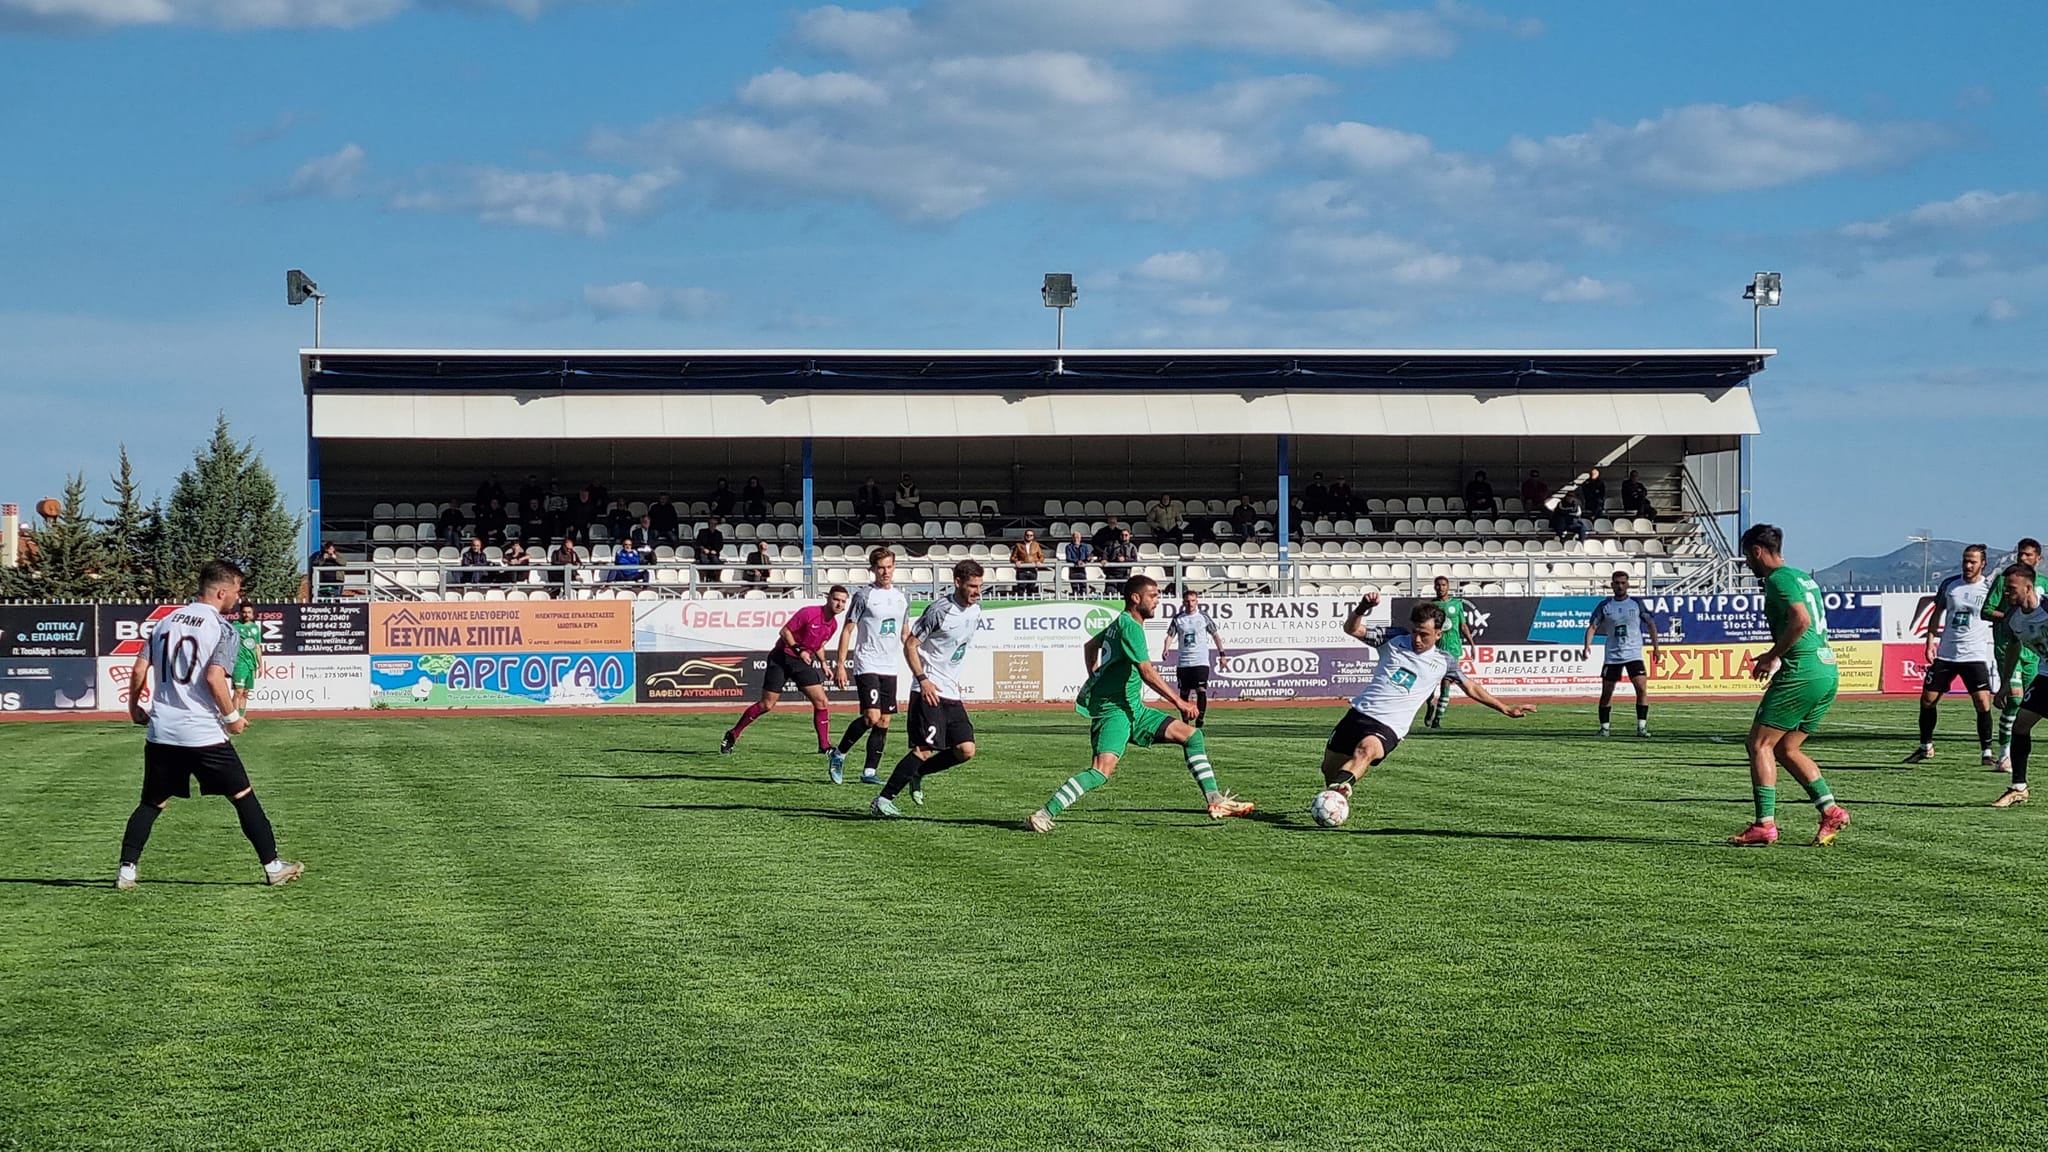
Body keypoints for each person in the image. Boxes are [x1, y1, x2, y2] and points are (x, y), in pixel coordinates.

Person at [116, 560, 302, 890]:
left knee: (152, 803)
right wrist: (233, 719)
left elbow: (137, 670)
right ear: (221, 591)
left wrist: (134, 709)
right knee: (244, 797)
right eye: (236, 590)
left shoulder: (164, 622)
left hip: (162, 731)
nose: (238, 596)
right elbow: (215, 678)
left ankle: (126, 872)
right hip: (203, 733)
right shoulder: (222, 628)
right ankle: (273, 867)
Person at [1026, 574, 1254, 832]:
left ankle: (1215, 801)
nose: (1157, 600)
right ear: (1136, 598)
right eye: (1153, 595)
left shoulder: (1121, 622)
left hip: (1134, 709)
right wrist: (1179, 702)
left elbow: (1090, 645)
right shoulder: (1130, 626)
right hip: (1115, 712)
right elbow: (1146, 671)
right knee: (1101, 771)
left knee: (1192, 736)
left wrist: (1096, 674)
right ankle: (1043, 814)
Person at [1315, 593, 1533, 815]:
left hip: (1389, 727)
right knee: (1329, 770)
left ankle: (1340, 791)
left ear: (1439, 634)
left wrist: (1505, 708)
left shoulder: (1444, 661)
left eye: (1425, 635)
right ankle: (1334, 793)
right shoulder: (1394, 638)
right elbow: (1352, 630)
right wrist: (1362, 607)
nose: (1417, 639)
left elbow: (1471, 687)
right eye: (1415, 632)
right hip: (1358, 714)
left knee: (1366, 751)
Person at [1729, 524, 1852, 847]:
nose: (1748, 564)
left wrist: (1772, 655)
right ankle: (1830, 810)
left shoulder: (1777, 580)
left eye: (1747, 556)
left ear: (1756, 551)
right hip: (1826, 669)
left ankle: (1764, 825)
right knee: (1786, 748)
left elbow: (1801, 620)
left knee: (1758, 744)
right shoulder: (1802, 577)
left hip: (1803, 672)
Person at [870, 561, 987, 817]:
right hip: (929, 689)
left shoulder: (976, 609)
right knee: (923, 749)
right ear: (957, 582)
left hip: (951, 693)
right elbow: (910, 645)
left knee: (966, 750)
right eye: (972, 586)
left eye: (980, 586)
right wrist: (923, 679)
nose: (978, 591)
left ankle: (918, 774)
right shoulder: (939, 611)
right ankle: (883, 800)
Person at [722, 586, 850, 758]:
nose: (839, 604)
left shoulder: (832, 625)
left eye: (843, 601)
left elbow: (819, 645)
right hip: (782, 657)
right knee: (767, 705)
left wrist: (824, 664)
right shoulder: (809, 612)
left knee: (822, 702)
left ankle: (824, 746)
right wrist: (799, 650)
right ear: (828, 599)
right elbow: (784, 631)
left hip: (801, 662)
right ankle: (733, 734)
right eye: (836, 599)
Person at [1905, 544, 1999, 765]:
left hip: (1974, 655)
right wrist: (1930, 641)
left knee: (1983, 703)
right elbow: (1936, 613)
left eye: (1972, 561)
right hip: (1947, 653)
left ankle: (1986, 753)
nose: (1967, 565)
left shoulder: (1989, 588)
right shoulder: (1950, 584)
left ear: (1982, 564)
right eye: (1965, 560)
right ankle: (1925, 747)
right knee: (1927, 700)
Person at [831, 548, 911, 786]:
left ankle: (869, 772)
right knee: (871, 716)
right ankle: (839, 753)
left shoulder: (901, 598)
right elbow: (847, 630)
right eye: (880, 568)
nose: (885, 572)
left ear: (894, 567)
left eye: (889, 566)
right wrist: (841, 665)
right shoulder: (864, 596)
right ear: (873, 570)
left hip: (889, 665)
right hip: (867, 663)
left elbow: (905, 633)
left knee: (884, 721)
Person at [1990, 561, 2048, 807]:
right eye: (2005, 588)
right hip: (2046, 674)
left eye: (2011, 588)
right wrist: (2004, 683)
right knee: (2020, 726)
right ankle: (2019, 787)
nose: (2006, 593)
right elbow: (2013, 646)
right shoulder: (2014, 618)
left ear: (2028, 587)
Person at [1982, 537, 2042, 771]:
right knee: (2016, 701)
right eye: (2020, 554)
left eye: (2028, 555)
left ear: (2038, 558)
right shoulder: (2004, 583)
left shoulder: (2044, 588)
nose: (2023, 558)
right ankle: (2006, 758)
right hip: (2009, 651)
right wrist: (2009, 619)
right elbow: (1987, 610)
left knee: (2025, 712)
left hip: (2036, 658)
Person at [1583, 569, 1660, 737]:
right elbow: (1593, 627)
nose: (1620, 586)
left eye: (1623, 583)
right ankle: (1604, 728)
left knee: (1641, 688)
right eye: (1617, 583)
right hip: (1613, 655)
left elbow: (1651, 624)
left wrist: (1656, 648)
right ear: (1612, 585)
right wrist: (1586, 645)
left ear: (1628, 584)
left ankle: (1642, 727)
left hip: (1633, 654)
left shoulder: (1636, 604)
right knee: (1607, 691)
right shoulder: (1605, 606)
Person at [1164, 588, 1225, 728]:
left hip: (1200, 660)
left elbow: (1215, 635)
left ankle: (1200, 719)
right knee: (1184, 691)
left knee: (1201, 689)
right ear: (1183, 602)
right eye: (1187, 601)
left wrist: (1222, 654)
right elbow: (1170, 635)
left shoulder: (1203, 617)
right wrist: (1166, 648)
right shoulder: (1178, 619)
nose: (1190, 604)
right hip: (1184, 661)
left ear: (1197, 602)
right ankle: (1185, 720)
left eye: (1193, 601)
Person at [1421, 575, 1476, 730]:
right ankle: (1430, 703)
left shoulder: (1457, 604)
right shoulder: (1431, 605)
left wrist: (1472, 644)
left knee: (1447, 682)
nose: (1441, 588)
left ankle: (1437, 719)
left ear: (1448, 587)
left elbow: (1463, 626)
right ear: (1434, 587)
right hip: (1435, 647)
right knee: (1429, 680)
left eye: (1443, 585)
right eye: (1438, 585)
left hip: (1452, 648)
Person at [230, 602, 263, 717]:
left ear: (252, 614)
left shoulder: (255, 628)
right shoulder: (235, 626)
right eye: (244, 612)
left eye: (249, 612)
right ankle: (233, 718)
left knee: (245, 692)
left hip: (251, 664)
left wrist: (260, 665)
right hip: (239, 663)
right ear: (240, 613)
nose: (246, 614)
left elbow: (257, 646)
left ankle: (241, 718)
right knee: (238, 691)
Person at [1010, 529, 1047, 596]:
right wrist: (1016, 561)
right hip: (1022, 571)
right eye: (1027, 535)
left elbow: (1041, 556)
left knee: (1032, 589)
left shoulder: (1036, 545)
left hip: (1033, 570)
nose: (1029, 536)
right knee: (1021, 589)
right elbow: (1012, 557)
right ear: (1024, 536)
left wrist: (1039, 561)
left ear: (1033, 536)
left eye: (1031, 535)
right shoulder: (1018, 545)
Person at [694, 516, 726, 586]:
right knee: (705, 561)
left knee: (716, 562)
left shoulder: (719, 534)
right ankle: (706, 579)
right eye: (711, 524)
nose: (713, 526)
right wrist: (703, 549)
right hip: (704, 552)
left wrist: (716, 551)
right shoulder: (702, 532)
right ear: (709, 524)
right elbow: (698, 543)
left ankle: (715, 579)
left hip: (713, 553)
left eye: (714, 524)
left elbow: (720, 545)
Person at [1062, 531, 1093, 598]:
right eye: (1075, 537)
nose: (1076, 539)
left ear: (1080, 538)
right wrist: (1077, 562)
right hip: (1073, 571)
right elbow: (1068, 558)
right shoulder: (1068, 547)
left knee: (1084, 589)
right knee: (1075, 589)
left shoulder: (1084, 547)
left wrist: (1089, 558)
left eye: (1078, 537)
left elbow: (1087, 556)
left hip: (1082, 571)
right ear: (1072, 538)